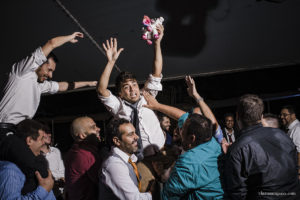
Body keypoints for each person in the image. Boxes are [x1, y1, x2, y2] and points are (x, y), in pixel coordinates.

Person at [0, 32, 97, 138]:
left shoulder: (40, 85)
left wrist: (89, 83)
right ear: (40, 64)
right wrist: (70, 37)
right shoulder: (23, 71)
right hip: (3, 127)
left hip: (18, 131)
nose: (50, 75)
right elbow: (51, 43)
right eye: (49, 70)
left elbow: (63, 86)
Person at [97, 25, 165, 159]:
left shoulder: (147, 97)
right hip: (140, 159)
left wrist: (157, 43)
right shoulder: (118, 106)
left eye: (134, 84)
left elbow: (157, 72)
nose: (133, 89)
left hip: (162, 151)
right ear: (120, 94)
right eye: (126, 87)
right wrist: (111, 62)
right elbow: (101, 89)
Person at [225, 94, 299, 199]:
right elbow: (294, 169)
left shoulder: (237, 149)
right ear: (261, 116)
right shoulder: (282, 135)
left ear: (237, 117)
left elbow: (237, 194)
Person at [161, 114, 224, 199]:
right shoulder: (214, 143)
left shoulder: (188, 163)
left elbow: (168, 196)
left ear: (192, 138)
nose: (179, 133)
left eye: (182, 130)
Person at [0, 119, 56, 199]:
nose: (44, 142)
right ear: (29, 140)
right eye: (41, 139)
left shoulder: (34, 164)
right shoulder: (10, 171)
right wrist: (43, 190)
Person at [99, 118, 154, 200]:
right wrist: (154, 192)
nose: (137, 137)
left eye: (135, 133)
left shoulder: (130, 158)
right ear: (117, 141)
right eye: (130, 134)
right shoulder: (114, 165)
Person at [64, 116, 102, 200]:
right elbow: (103, 181)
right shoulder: (84, 154)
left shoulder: (74, 151)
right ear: (82, 135)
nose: (98, 129)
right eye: (93, 127)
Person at [40, 123, 65, 199]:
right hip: (44, 192)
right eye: (46, 133)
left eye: (49, 133)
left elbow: (62, 171)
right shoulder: (36, 154)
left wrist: (61, 178)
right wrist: (57, 178)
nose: (50, 135)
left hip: (58, 192)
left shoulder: (56, 151)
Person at [280, 105, 300, 177]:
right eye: (281, 115)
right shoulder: (290, 129)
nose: (281, 117)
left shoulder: (297, 129)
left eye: (285, 115)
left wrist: (298, 172)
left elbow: (299, 151)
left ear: (293, 115)